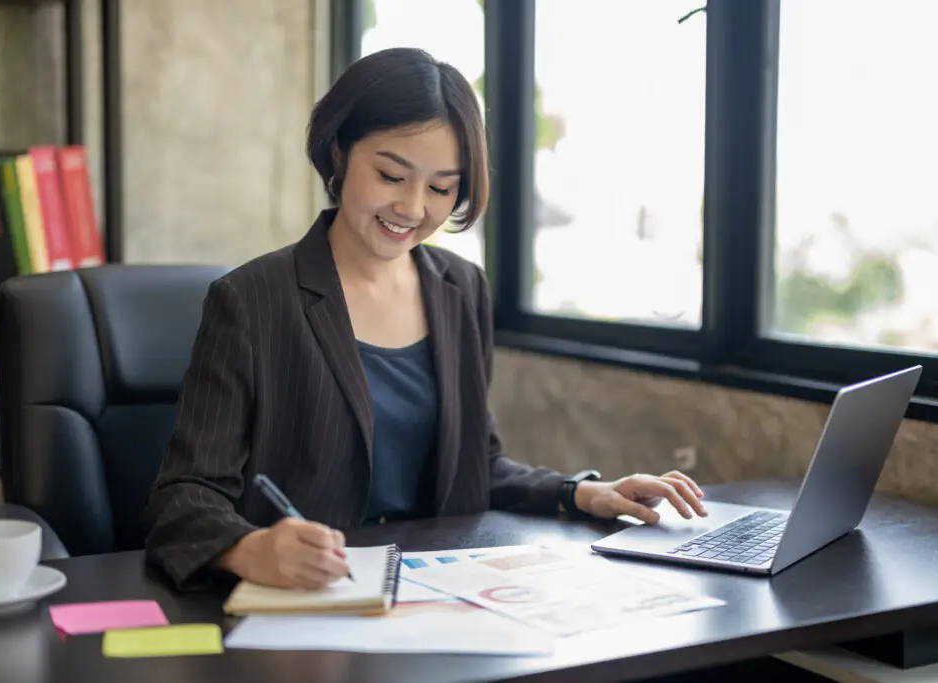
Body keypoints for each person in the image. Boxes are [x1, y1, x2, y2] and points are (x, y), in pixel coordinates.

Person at [143, 47, 708, 592]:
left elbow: (475, 465)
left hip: (441, 592)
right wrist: (249, 549)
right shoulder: (252, 300)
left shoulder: (460, 289)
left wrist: (582, 493)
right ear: (339, 152)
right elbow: (184, 496)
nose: (413, 209)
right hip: (313, 602)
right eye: (391, 176)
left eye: (441, 187)